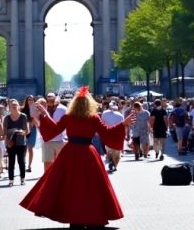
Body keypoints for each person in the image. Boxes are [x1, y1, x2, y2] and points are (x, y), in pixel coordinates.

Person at [21, 87, 136, 229]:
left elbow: (54, 129)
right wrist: (123, 124)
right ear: (89, 103)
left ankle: (74, 217)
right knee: (92, 187)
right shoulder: (93, 118)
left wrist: (45, 114)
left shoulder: (69, 117)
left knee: (71, 186)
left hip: (70, 153)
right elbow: (107, 132)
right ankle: (94, 215)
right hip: (88, 153)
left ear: (74, 103)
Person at [4, 99, 30, 186]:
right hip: (10, 142)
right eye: (12, 105)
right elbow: (4, 132)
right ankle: (11, 180)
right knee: (11, 161)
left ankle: (22, 179)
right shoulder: (7, 118)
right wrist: (6, 141)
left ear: (18, 106)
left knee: (21, 161)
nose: (14, 107)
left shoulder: (23, 116)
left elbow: (27, 130)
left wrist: (22, 132)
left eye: (15, 105)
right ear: (9, 107)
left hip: (21, 142)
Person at [41, 93, 68, 171]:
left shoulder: (63, 109)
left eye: (51, 97)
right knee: (47, 165)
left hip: (60, 141)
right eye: (48, 97)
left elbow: (67, 124)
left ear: (55, 98)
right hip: (47, 141)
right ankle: (47, 181)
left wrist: (67, 138)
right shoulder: (43, 108)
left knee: (61, 165)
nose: (50, 99)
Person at [101, 103, 125, 172]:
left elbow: (102, 123)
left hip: (108, 135)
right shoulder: (120, 115)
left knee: (110, 151)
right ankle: (114, 164)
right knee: (117, 153)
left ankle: (112, 162)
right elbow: (123, 126)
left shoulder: (104, 113)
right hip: (118, 136)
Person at [23, 96, 38, 172]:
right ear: (26, 101)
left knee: (30, 148)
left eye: (32, 100)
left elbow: (39, 120)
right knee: (24, 148)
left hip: (33, 129)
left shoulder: (36, 109)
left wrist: (33, 122)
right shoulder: (23, 109)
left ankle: (29, 166)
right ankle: (23, 163)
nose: (30, 101)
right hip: (24, 129)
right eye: (29, 99)